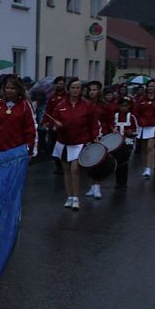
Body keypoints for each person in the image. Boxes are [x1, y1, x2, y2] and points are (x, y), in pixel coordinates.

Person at [50, 78, 99, 210]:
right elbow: (53, 121)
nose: (75, 90)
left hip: (80, 141)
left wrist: (94, 138)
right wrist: (56, 125)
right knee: (66, 171)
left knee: (75, 169)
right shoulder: (61, 105)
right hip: (64, 142)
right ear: (68, 89)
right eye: (73, 88)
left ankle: (76, 198)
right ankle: (69, 197)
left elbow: (93, 124)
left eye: (78, 88)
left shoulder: (87, 105)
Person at [0, 74, 36, 159]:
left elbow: (30, 131)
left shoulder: (25, 106)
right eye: (7, 88)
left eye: (12, 88)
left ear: (18, 90)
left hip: (16, 152)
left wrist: (29, 150)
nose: (9, 91)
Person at [133, 79, 155, 179]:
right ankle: (146, 166)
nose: (150, 88)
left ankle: (149, 168)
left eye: (153, 86)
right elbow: (136, 112)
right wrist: (138, 123)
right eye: (149, 86)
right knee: (144, 148)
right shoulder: (141, 100)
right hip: (143, 126)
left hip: (154, 126)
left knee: (150, 147)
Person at [85, 80, 114, 200]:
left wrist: (110, 132)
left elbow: (109, 121)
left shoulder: (104, 105)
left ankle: (97, 186)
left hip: (101, 135)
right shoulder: (85, 104)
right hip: (87, 135)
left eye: (95, 90)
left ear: (99, 91)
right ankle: (92, 185)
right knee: (89, 162)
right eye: (90, 90)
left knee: (98, 162)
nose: (92, 92)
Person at [112, 96, 138, 189]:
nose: (123, 107)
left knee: (124, 162)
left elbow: (136, 130)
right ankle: (118, 181)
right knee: (117, 162)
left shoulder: (131, 117)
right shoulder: (115, 116)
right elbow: (111, 127)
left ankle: (123, 182)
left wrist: (131, 132)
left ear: (129, 106)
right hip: (116, 143)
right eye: (121, 105)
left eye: (125, 105)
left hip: (127, 142)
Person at [43, 76, 67, 172]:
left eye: (61, 83)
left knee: (64, 145)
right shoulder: (51, 97)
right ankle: (58, 165)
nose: (59, 85)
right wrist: (45, 122)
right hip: (53, 125)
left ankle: (65, 164)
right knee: (54, 145)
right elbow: (47, 110)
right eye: (57, 83)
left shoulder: (67, 97)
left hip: (65, 125)